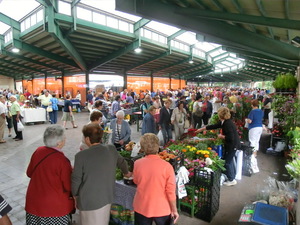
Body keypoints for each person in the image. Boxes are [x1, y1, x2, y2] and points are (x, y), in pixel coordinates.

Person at [72, 123, 131, 225]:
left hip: (88, 200)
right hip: (106, 197)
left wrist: (75, 196)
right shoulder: (111, 149)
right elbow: (122, 162)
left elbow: (76, 179)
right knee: (103, 221)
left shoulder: (80, 156)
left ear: (87, 139)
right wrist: (127, 173)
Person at [25, 125, 75, 224]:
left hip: (34, 203)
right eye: (64, 138)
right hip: (53, 208)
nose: (65, 139)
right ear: (59, 143)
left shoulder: (38, 151)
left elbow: (29, 173)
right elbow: (68, 187)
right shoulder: (62, 161)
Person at [133, 133, 179, 225]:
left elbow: (136, 181)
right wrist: (174, 210)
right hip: (162, 208)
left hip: (142, 206)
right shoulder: (167, 166)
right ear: (158, 147)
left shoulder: (137, 163)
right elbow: (170, 191)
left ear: (142, 148)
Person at [196, 107, 240, 186]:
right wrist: (203, 129)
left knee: (227, 162)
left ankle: (231, 179)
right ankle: (232, 176)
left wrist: (221, 136)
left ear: (221, 115)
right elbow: (215, 126)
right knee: (229, 161)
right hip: (232, 145)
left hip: (232, 145)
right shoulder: (225, 122)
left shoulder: (227, 124)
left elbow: (231, 138)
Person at [246, 99, 264, 173]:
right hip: (260, 127)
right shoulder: (261, 111)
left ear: (252, 105)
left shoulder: (252, 111)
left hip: (253, 128)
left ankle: (252, 157)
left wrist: (246, 120)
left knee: (252, 141)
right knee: (257, 141)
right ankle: (255, 154)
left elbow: (250, 121)